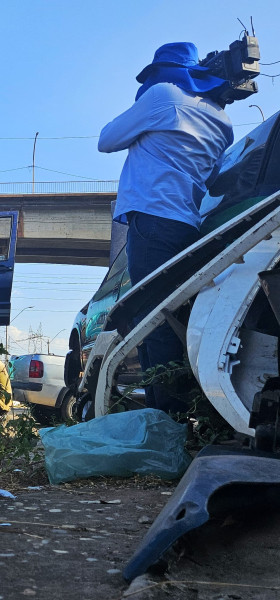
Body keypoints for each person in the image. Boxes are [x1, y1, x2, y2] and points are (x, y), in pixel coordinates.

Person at [98, 42, 234, 413]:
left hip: (153, 220)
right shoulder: (222, 121)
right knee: (181, 321)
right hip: (190, 229)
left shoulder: (163, 96)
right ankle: (192, 414)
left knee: (152, 322)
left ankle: (165, 421)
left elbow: (106, 139)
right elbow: (214, 178)